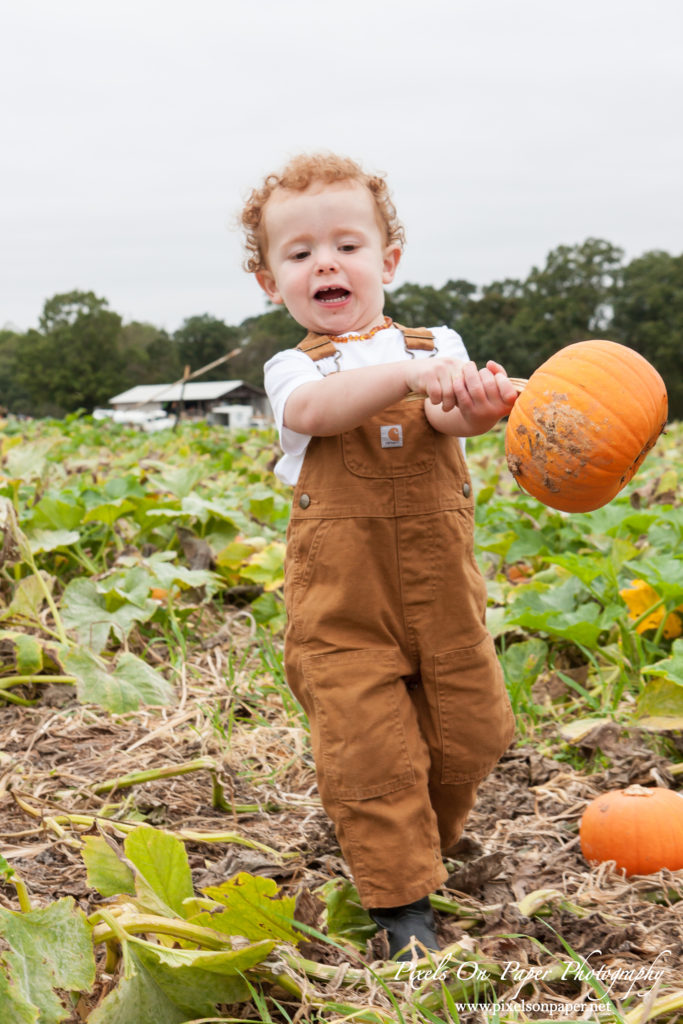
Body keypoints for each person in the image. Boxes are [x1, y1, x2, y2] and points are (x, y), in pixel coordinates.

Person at [240, 153, 516, 961]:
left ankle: (425, 840)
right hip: (345, 608)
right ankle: (400, 904)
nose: (325, 262)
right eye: (299, 254)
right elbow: (319, 413)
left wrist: (481, 405)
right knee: (368, 748)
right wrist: (409, 371)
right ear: (271, 282)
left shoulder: (440, 344)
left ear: (386, 262)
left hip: (443, 599)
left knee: (469, 732)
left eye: (347, 246)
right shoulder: (296, 369)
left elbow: (445, 420)